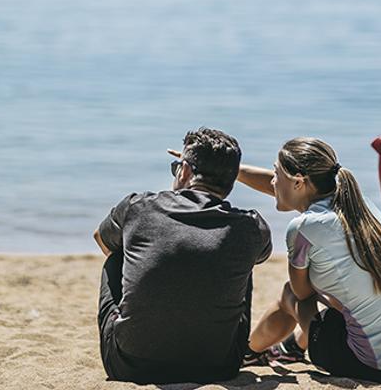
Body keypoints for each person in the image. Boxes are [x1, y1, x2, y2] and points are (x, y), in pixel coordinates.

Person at [237, 137, 381, 383]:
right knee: (343, 298)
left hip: (373, 366)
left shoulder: (302, 227)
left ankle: (249, 352)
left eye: (276, 173)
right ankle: (290, 349)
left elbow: (302, 296)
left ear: (299, 182)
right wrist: (233, 171)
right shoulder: (357, 204)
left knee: (291, 294)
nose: (272, 180)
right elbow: (287, 192)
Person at [93, 127, 271, 384]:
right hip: (219, 366)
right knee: (242, 261)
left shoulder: (138, 208)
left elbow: (101, 238)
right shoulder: (251, 226)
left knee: (116, 256)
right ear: (233, 180)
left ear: (185, 170)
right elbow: (259, 257)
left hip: (130, 365)